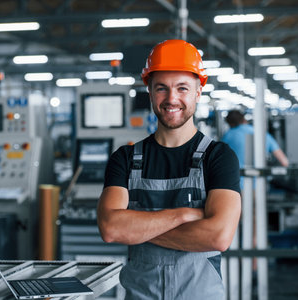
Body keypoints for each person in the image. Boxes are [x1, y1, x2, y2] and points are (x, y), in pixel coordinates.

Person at [97, 39, 241, 299]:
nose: (171, 99)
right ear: (150, 92)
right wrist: (184, 215)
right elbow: (111, 229)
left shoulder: (219, 157)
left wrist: (138, 228)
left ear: (198, 91)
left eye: (182, 88)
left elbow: (219, 236)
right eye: (161, 88)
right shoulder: (125, 159)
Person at [222, 110, 289, 168]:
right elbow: (284, 161)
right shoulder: (261, 134)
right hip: (260, 181)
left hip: (236, 180)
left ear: (230, 123)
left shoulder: (227, 136)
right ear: (244, 119)